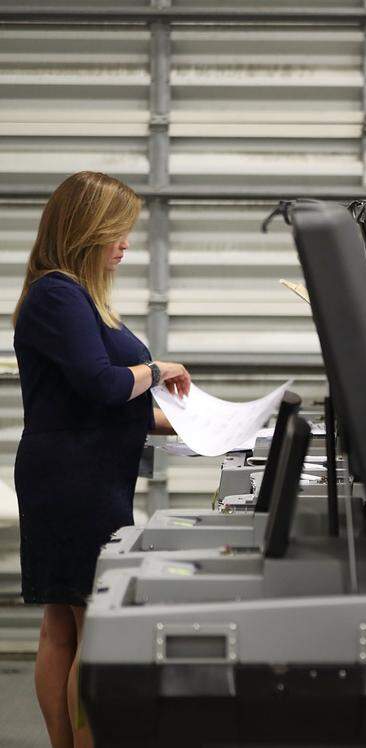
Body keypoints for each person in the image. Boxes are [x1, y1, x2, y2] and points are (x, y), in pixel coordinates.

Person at [13, 172, 192, 748]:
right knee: (91, 629)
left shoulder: (74, 297)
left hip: (81, 469)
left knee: (66, 622)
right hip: (73, 479)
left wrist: (197, 427)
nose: (125, 244)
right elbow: (101, 385)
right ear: (86, 231)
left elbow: (104, 405)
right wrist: (159, 369)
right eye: (117, 232)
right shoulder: (57, 293)